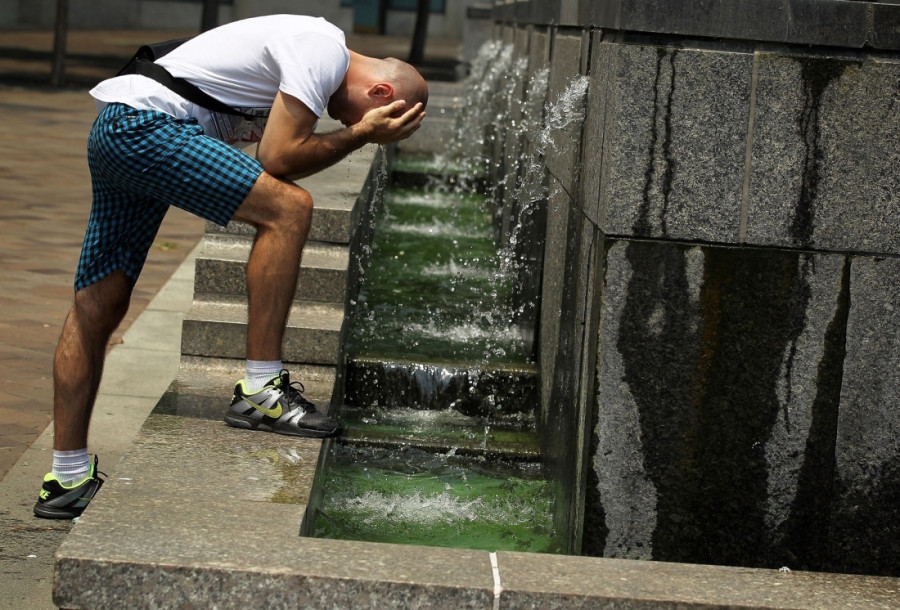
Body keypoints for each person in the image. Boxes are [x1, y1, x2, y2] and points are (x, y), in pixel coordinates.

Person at [33, 14, 428, 519]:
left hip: (119, 127)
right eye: (376, 119)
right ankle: (261, 390)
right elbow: (281, 158)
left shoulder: (308, 52)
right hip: (146, 128)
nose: (354, 125)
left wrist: (351, 134)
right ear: (377, 92)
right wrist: (360, 137)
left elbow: (265, 160)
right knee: (290, 209)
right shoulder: (322, 51)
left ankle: (65, 481)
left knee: (98, 303)